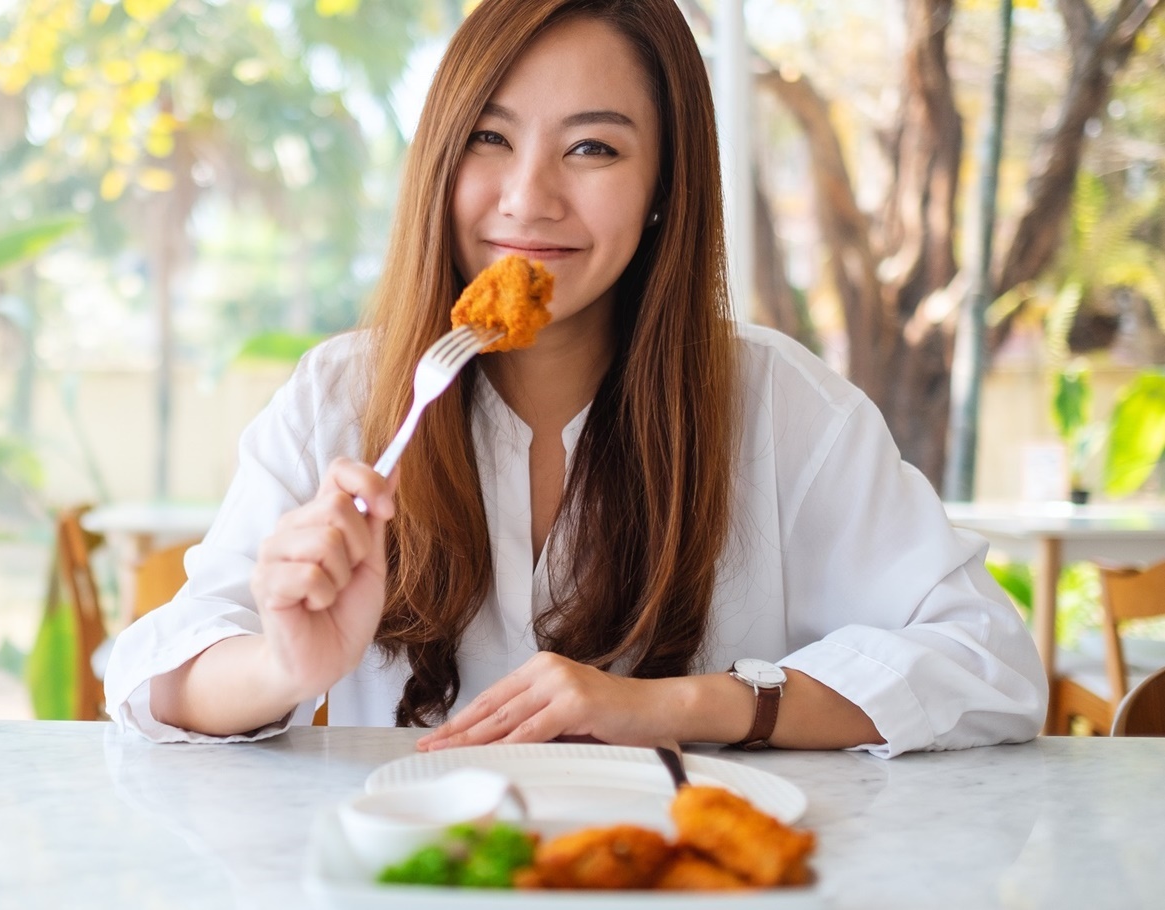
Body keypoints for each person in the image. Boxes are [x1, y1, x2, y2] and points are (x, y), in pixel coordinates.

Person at [104, 0, 1047, 757]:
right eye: (488, 137)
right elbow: (153, 674)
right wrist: (281, 660)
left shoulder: (776, 404)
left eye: (592, 147)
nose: (527, 199)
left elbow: (988, 661)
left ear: (663, 192)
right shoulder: (340, 399)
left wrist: (678, 706)